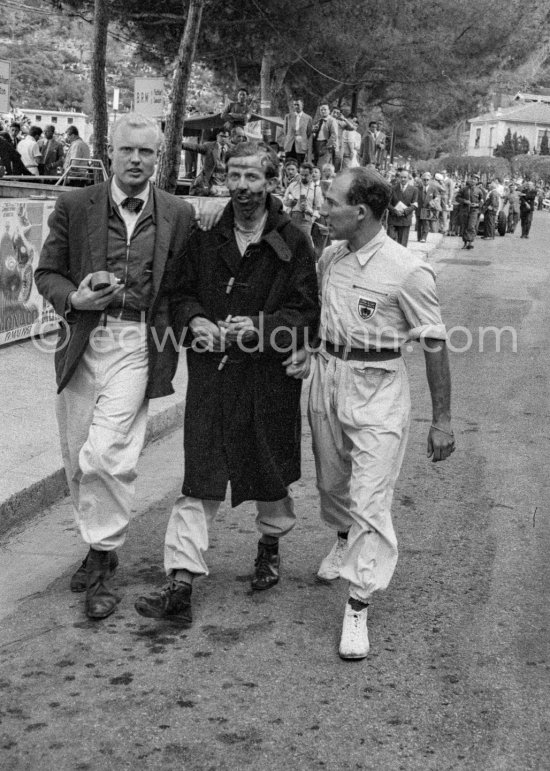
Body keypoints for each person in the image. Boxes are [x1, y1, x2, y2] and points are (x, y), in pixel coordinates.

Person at [134, 141, 319, 627]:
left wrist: (261, 327)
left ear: (271, 182)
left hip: (268, 378)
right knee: (202, 472)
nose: (241, 187)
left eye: (252, 177)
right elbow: (178, 292)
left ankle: (270, 544)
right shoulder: (207, 235)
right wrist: (194, 319)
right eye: (234, 177)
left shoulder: (294, 240)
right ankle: (181, 580)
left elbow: (306, 312)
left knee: (268, 469)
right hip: (213, 376)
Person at [34, 113, 195, 621]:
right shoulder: (75, 204)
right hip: (83, 338)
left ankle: (102, 565)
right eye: (128, 150)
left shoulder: (177, 213)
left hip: (138, 341)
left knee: (107, 455)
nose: (136, 161)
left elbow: (186, 284)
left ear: (159, 157)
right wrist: (74, 297)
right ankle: (98, 545)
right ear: (111, 150)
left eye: (147, 153)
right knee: (78, 453)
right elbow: (46, 272)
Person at [293, 167, 453, 660]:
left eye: (331, 201)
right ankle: (343, 539)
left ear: (359, 212)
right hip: (327, 379)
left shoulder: (407, 270)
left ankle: (358, 604)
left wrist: (442, 420)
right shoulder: (331, 257)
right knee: (331, 484)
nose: (323, 208)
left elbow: (434, 343)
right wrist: (308, 350)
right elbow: (324, 318)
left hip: (378, 389)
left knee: (370, 497)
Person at [183, 127, 231, 195]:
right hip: (210, 181)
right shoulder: (209, 146)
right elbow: (196, 147)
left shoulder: (232, 149)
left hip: (225, 182)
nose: (223, 138)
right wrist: (181, 144)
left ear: (229, 138)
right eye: (221, 136)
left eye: (225, 137)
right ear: (217, 136)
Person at [283, 161, 323, 239]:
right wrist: (289, 203)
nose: (303, 177)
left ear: (311, 175)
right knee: (291, 242)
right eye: (302, 175)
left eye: (306, 175)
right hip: (292, 217)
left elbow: (318, 208)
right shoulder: (293, 185)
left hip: (307, 219)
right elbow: (285, 201)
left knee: (304, 243)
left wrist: (312, 218)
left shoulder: (316, 189)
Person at [387, 167, 418, 247]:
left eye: (405, 177)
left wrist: (404, 211)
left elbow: (414, 205)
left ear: (409, 178)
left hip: (405, 219)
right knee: (390, 243)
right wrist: (394, 211)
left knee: (402, 244)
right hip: (393, 219)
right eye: (401, 177)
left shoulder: (414, 190)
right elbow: (387, 203)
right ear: (398, 178)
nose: (403, 179)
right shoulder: (392, 188)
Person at [456, 173, 484, 250]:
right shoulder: (464, 189)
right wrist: (465, 201)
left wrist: (477, 205)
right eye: (472, 178)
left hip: (474, 211)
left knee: (471, 226)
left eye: (475, 179)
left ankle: (470, 242)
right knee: (464, 226)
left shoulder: (479, 191)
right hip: (464, 210)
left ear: (477, 181)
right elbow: (457, 198)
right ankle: (465, 242)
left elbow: (482, 202)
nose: (472, 180)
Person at [283, 98, 312, 166]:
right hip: (289, 145)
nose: (296, 106)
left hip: (301, 147)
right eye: (294, 105)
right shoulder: (288, 116)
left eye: (298, 105)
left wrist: (301, 138)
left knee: (299, 165)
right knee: (288, 165)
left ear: (302, 105)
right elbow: (285, 131)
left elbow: (309, 133)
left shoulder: (308, 118)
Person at [312, 102, 339, 168]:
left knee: (322, 166)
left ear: (329, 111)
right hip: (317, 145)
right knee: (316, 165)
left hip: (325, 145)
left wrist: (327, 146)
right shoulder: (319, 121)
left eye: (325, 109)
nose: (323, 111)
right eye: (321, 110)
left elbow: (334, 135)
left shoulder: (332, 120)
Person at [416, 171, 440, 243]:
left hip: (427, 208)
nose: (426, 181)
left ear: (430, 180)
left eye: (427, 180)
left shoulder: (433, 188)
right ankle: (419, 237)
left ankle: (424, 237)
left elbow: (437, 196)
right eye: (424, 179)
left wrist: (433, 201)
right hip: (419, 208)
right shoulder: (418, 188)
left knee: (425, 223)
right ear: (422, 180)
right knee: (419, 223)